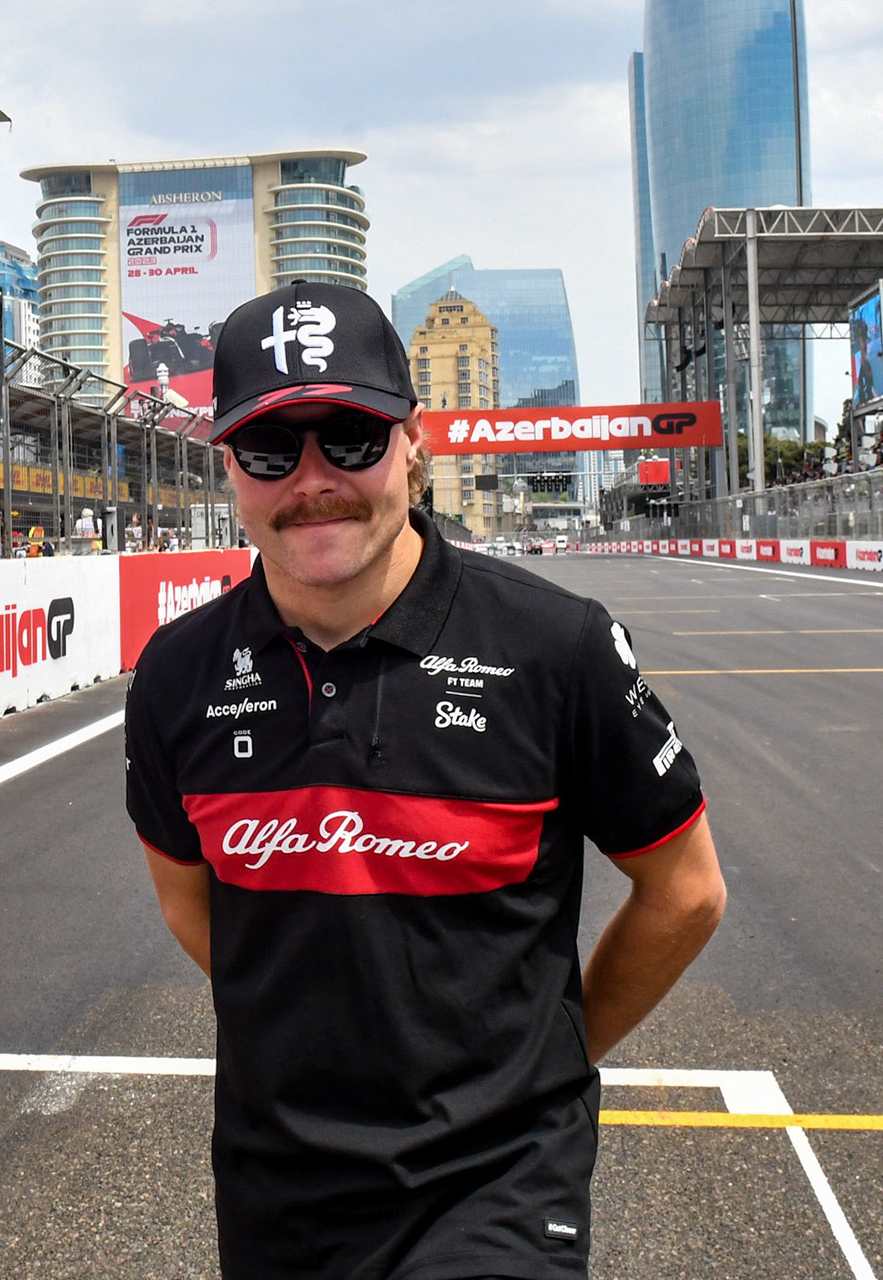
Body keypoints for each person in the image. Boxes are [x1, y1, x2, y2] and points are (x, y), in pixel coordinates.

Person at [125, 281, 725, 1280]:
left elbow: (687, 889)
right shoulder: (176, 675)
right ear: (228, 465)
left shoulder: (556, 644)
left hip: (498, 1181)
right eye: (270, 449)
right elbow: (195, 906)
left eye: (350, 438)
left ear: (414, 442)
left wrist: (550, 1055)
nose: (314, 479)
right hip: (277, 1184)